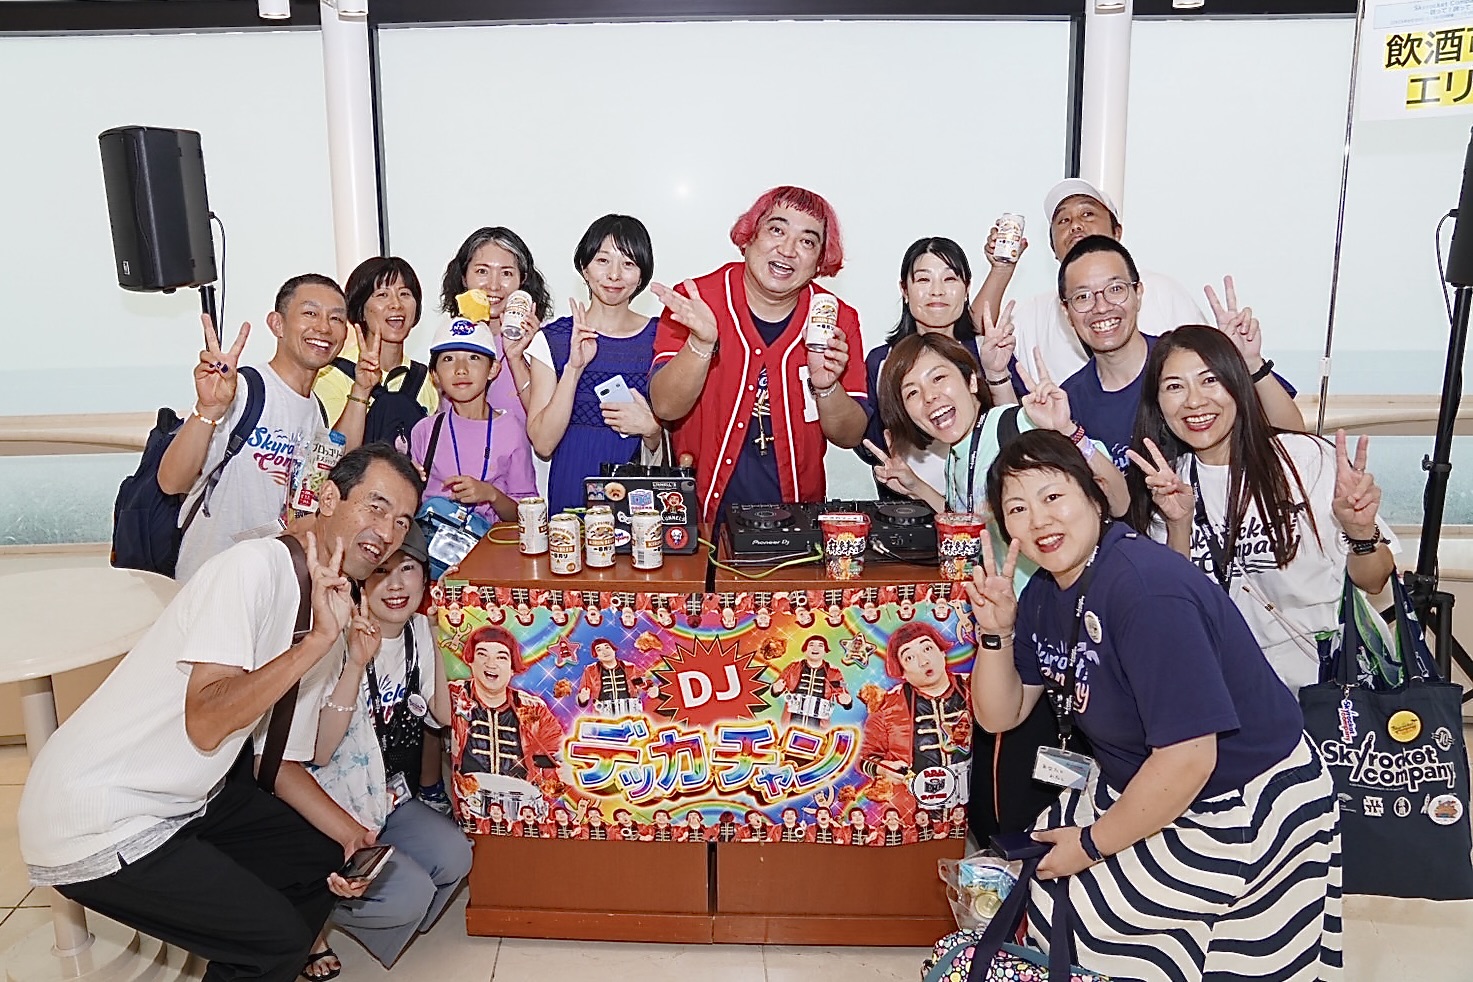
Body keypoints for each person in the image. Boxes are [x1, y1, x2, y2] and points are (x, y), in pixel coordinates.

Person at [18, 444, 424, 982]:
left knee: (317, 858)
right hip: (98, 815)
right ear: (329, 499)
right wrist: (315, 645)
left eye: (402, 521)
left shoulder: (330, 602)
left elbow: (278, 761)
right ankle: (266, 956)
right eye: (376, 506)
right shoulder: (251, 568)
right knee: (274, 944)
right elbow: (206, 722)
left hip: (184, 796)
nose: (387, 531)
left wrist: (351, 836)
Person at [966, 428, 1341, 982]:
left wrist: (1090, 846)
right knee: (1039, 890)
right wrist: (996, 633)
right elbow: (1001, 714)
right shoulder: (1046, 591)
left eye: (1053, 496)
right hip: (1140, 779)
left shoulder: (1146, 591)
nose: (1039, 520)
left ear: (1095, 496)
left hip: (1240, 798)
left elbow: (1191, 758)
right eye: (1017, 508)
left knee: (1090, 915)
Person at [868, 332, 1128, 841]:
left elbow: (1113, 499)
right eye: (912, 393)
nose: (929, 398)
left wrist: (1069, 432)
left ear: (971, 381)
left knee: (1031, 792)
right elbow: (972, 523)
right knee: (1008, 788)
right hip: (1020, 631)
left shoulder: (1015, 424)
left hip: (1061, 623)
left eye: (939, 379)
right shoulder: (959, 452)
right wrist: (916, 487)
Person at [1128, 325, 1396, 692]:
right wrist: (1179, 523)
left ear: (1237, 384)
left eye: (1209, 380)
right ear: (1157, 403)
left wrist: (1361, 532)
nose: (1194, 401)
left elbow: (1375, 580)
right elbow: (1178, 612)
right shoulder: (1167, 487)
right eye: (1175, 386)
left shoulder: (1304, 459)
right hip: (1238, 689)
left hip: (1335, 677)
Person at [303, 522, 471, 975]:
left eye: (408, 569)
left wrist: (443, 633)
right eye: (381, 571)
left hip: (387, 796)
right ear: (361, 580)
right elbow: (320, 751)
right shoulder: (337, 635)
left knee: (456, 857)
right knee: (410, 894)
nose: (396, 585)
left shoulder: (420, 632)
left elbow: (442, 715)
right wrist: (357, 663)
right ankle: (308, 912)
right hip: (330, 801)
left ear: (425, 578)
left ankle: (374, 900)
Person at [649, 186, 868, 522]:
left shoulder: (836, 319)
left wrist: (826, 387)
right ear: (749, 235)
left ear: (819, 260)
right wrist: (701, 345)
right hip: (701, 517)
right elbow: (665, 407)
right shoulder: (696, 300)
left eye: (807, 241)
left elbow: (850, 435)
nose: (788, 250)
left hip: (799, 520)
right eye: (776, 230)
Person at [1054, 235, 1303, 469]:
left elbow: (1294, 440)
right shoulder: (1067, 404)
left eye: (1115, 289)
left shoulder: (1185, 359)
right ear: (1066, 311)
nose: (1101, 307)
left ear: (1138, 293)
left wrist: (1250, 363)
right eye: (1083, 296)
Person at [161, 274, 344, 581]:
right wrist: (208, 409)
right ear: (277, 324)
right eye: (310, 313)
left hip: (269, 583)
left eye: (336, 318)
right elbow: (171, 482)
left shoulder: (316, 412)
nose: (324, 327)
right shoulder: (244, 390)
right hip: (210, 580)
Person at [971, 178, 1208, 384]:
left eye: (1087, 214)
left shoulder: (1163, 292)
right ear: (1053, 248)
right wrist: (1001, 269)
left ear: (1117, 232)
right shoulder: (1035, 312)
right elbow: (979, 333)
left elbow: (1206, 366)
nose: (1075, 225)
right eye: (1063, 220)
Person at [858, 236, 1017, 496]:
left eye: (950, 278)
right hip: (908, 506)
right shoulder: (883, 361)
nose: (937, 291)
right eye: (923, 279)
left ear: (967, 288)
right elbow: (872, 443)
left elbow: (1019, 430)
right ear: (904, 290)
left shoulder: (989, 351)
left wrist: (997, 375)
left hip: (990, 503)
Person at [528, 214, 665, 513]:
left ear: (642, 273)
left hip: (640, 494)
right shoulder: (551, 340)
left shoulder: (663, 338)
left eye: (628, 263)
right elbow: (543, 443)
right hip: (572, 484)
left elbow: (683, 438)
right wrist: (573, 369)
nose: (614, 275)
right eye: (603, 260)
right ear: (584, 267)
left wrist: (652, 431)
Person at [408, 315, 536, 523]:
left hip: (491, 541)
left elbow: (528, 515)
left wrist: (491, 495)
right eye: (448, 359)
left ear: (493, 369)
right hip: (433, 542)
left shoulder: (511, 429)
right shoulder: (425, 431)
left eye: (474, 358)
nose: (461, 369)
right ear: (435, 375)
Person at [447, 625, 565, 833]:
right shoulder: (453, 696)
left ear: (512, 668)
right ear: (470, 661)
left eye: (501, 657)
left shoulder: (534, 709)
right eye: (482, 654)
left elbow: (556, 759)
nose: (491, 664)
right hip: (463, 812)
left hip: (520, 816)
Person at [315, 256, 437, 450]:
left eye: (405, 294)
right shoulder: (330, 376)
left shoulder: (426, 380)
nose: (396, 304)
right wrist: (361, 391)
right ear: (361, 310)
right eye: (382, 295)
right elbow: (336, 454)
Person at [438, 227, 557, 425]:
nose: (493, 285)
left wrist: (523, 356)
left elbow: (547, 426)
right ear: (464, 277)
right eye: (482, 271)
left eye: (506, 273)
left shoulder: (545, 342)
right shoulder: (450, 339)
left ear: (522, 280)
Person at [858, 622, 971, 791]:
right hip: (913, 801)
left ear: (942, 651)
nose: (924, 661)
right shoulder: (887, 707)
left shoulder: (973, 686)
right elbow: (864, 758)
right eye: (909, 657)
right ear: (901, 671)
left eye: (927, 648)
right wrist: (883, 769)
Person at [769, 635, 852, 729]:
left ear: (825, 650)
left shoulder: (834, 673)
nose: (815, 648)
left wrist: (847, 701)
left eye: (820, 645)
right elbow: (777, 689)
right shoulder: (793, 667)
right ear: (805, 649)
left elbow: (843, 694)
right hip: (790, 723)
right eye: (811, 645)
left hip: (820, 727)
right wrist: (776, 688)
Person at [576, 638, 658, 715]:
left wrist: (653, 689)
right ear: (596, 655)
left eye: (607, 647)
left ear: (614, 650)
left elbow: (646, 684)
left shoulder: (630, 668)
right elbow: (582, 695)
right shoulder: (590, 670)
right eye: (599, 650)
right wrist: (582, 698)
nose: (604, 651)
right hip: (602, 715)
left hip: (631, 712)